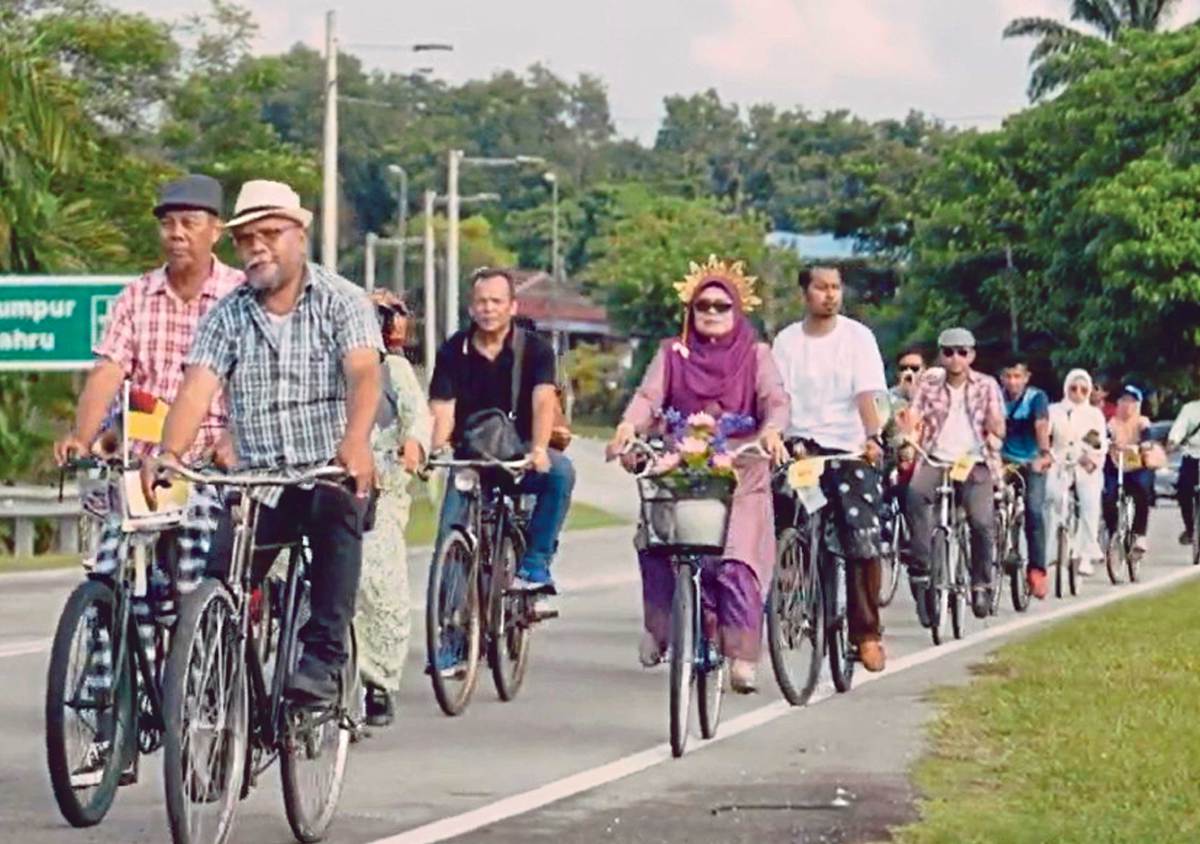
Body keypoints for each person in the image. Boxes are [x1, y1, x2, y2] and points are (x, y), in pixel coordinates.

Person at [144, 179, 383, 705]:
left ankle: (323, 660)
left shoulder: (341, 301)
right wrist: (170, 453)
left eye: (271, 234)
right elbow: (196, 388)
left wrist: (356, 441)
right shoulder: (228, 315)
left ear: (299, 234)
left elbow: (364, 374)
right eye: (247, 238)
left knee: (338, 510)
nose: (258, 247)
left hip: (325, 471)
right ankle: (216, 691)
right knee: (216, 582)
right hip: (258, 485)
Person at [51, 174, 243, 782]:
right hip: (141, 464)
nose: (177, 233)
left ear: (216, 231)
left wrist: (231, 442)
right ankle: (112, 724)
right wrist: (83, 438)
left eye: (190, 222)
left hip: (205, 466)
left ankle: (201, 709)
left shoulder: (239, 297)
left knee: (190, 582)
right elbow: (108, 371)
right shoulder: (138, 295)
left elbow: (253, 384)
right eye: (168, 222)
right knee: (106, 573)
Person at [609, 257, 788, 693]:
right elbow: (650, 397)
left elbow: (776, 400)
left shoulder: (755, 354)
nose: (711, 312)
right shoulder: (673, 352)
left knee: (736, 561)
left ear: (737, 311)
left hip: (742, 465)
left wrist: (771, 434)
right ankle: (663, 629)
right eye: (702, 305)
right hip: (681, 461)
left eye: (721, 306)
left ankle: (742, 655)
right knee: (656, 540)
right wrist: (629, 427)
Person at [429, 267, 576, 595]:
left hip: (520, 455)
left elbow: (543, 402)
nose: (488, 308)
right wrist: (432, 449)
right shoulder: (454, 351)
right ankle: (450, 636)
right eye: (481, 302)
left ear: (512, 307)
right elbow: (442, 409)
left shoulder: (536, 350)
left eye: (496, 301)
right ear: (471, 308)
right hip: (472, 460)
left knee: (561, 473)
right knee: (449, 540)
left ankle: (535, 563)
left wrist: (538, 449)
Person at [771, 265, 889, 671]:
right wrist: (775, 438)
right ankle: (790, 583)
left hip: (846, 446)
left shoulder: (858, 338)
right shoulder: (786, 342)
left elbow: (867, 396)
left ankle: (866, 632)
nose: (830, 295)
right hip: (800, 445)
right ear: (805, 292)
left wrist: (873, 438)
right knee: (778, 509)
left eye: (836, 287)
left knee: (861, 534)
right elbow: (777, 398)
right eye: (821, 288)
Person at [356, 291, 430, 727]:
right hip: (328, 479)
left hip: (382, 488)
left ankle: (378, 680)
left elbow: (417, 415)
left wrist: (414, 442)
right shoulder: (326, 366)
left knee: (378, 579)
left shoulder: (394, 370)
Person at [905, 328, 1005, 620]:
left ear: (972, 355)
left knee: (981, 521)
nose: (956, 358)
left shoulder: (986, 385)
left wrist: (996, 431)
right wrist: (909, 437)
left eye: (962, 352)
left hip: (975, 461)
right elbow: (914, 415)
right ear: (941, 355)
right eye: (949, 352)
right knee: (915, 494)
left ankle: (981, 584)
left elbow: (997, 424)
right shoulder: (929, 384)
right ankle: (922, 569)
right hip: (935, 458)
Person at [1044, 369, 1107, 587]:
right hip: (1060, 460)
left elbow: (1098, 442)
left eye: (1083, 389)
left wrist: (1089, 459)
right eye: (1073, 388)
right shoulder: (1054, 410)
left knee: (1089, 501)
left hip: (1085, 463)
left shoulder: (1094, 414)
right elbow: (1047, 436)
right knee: (1051, 496)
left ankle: (1086, 552)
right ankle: (1051, 548)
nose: (1078, 393)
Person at [999, 359, 1051, 587]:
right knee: (987, 504)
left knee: (1034, 510)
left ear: (1026, 377)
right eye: (1008, 376)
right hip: (1004, 461)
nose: (1013, 382)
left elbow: (1041, 425)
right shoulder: (996, 397)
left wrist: (1044, 453)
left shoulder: (1036, 398)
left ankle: (1037, 569)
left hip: (1032, 461)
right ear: (1002, 377)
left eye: (1017, 376)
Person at [1103, 385, 1155, 557]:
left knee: (1141, 491)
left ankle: (1140, 534)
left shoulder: (1142, 422)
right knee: (1109, 497)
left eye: (1131, 401)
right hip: (1115, 464)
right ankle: (1113, 532)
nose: (1127, 405)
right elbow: (1101, 436)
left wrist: (1144, 445)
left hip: (1135, 463)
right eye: (1123, 400)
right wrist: (1104, 443)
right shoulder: (1111, 422)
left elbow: (1147, 436)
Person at [1167, 395, 1200, 545]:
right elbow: (1179, 428)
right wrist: (1173, 441)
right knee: (1183, 490)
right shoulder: (1190, 408)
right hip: (1192, 454)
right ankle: (1190, 528)